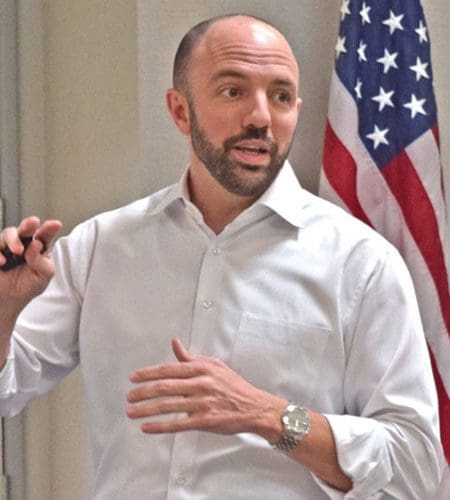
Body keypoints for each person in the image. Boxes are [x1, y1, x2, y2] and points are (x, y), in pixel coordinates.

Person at [0, 14, 445, 499]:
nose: (260, 117)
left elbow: (415, 467)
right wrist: (4, 309)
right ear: (180, 111)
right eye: (233, 91)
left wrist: (271, 416)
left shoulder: (362, 264)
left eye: (280, 96)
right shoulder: (100, 247)